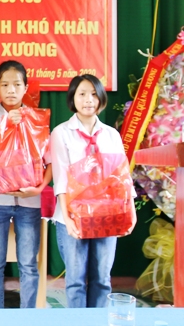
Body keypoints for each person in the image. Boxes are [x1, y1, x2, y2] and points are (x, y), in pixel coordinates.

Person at [50, 74, 136, 308]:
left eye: (94, 94)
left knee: (102, 279)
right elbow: (60, 178)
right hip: (73, 216)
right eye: (82, 94)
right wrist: (67, 218)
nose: (88, 99)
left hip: (106, 214)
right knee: (75, 281)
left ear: (101, 99)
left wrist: (130, 211)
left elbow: (122, 176)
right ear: (72, 98)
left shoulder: (111, 134)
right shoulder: (61, 132)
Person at [0, 61, 52, 309]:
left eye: (17, 84)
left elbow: (50, 161)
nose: (11, 90)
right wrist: (5, 124)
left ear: (25, 88)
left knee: (28, 264)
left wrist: (39, 189)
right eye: (5, 85)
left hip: (29, 201)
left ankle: (27, 317)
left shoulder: (37, 119)